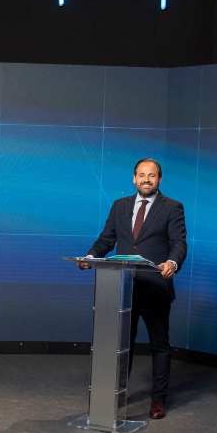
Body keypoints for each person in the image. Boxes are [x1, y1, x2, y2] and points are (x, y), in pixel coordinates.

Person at [81, 157, 186, 419]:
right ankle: (116, 395)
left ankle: (158, 401)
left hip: (155, 287)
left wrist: (172, 262)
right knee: (121, 344)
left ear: (159, 179)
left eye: (151, 175)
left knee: (159, 345)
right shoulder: (120, 206)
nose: (146, 180)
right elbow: (107, 239)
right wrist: (92, 256)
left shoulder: (172, 207)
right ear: (133, 178)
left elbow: (179, 243)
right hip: (123, 287)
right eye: (141, 175)